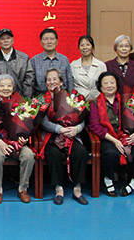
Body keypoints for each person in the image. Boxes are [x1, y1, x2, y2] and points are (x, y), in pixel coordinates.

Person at [88, 71, 134, 197]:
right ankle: (108, 180)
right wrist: (114, 141)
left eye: (112, 82)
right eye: (105, 83)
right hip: (108, 138)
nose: (109, 85)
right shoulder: (94, 103)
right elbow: (95, 126)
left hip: (127, 136)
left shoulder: (127, 100)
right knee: (111, 153)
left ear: (117, 85)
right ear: (100, 87)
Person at [0, 74, 35, 204]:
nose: (5, 88)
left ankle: (23, 189)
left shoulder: (20, 102)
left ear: (13, 88)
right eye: (2, 85)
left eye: (9, 85)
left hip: (15, 140)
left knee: (29, 155)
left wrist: (24, 138)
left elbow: (26, 125)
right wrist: (0, 143)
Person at [40, 69, 88, 205]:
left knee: (81, 152)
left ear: (61, 82)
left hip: (72, 135)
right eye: (49, 79)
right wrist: (59, 129)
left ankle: (77, 189)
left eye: (55, 79)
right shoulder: (42, 99)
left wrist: (76, 129)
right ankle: (59, 189)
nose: (52, 82)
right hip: (52, 136)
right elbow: (43, 122)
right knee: (53, 154)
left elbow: (82, 118)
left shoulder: (71, 97)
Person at [0, 28, 35, 97]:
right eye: (2, 39)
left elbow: (29, 79)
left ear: (13, 40)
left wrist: (25, 98)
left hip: (19, 98)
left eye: (8, 38)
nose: (5, 41)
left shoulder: (23, 58)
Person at [31, 28, 74, 94]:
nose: (49, 42)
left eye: (52, 39)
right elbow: (31, 83)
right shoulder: (34, 60)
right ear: (41, 42)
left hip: (62, 96)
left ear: (57, 41)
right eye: (46, 39)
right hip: (40, 97)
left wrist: (71, 96)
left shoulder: (64, 60)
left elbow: (69, 81)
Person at [69, 35, 106, 101]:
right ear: (79, 48)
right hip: (78, 101)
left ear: (92, 47)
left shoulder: (101, 65)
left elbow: (105, 84)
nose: (85, 47)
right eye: (82, 45)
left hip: (97, 100)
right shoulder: (73, 65)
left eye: (88, 45)